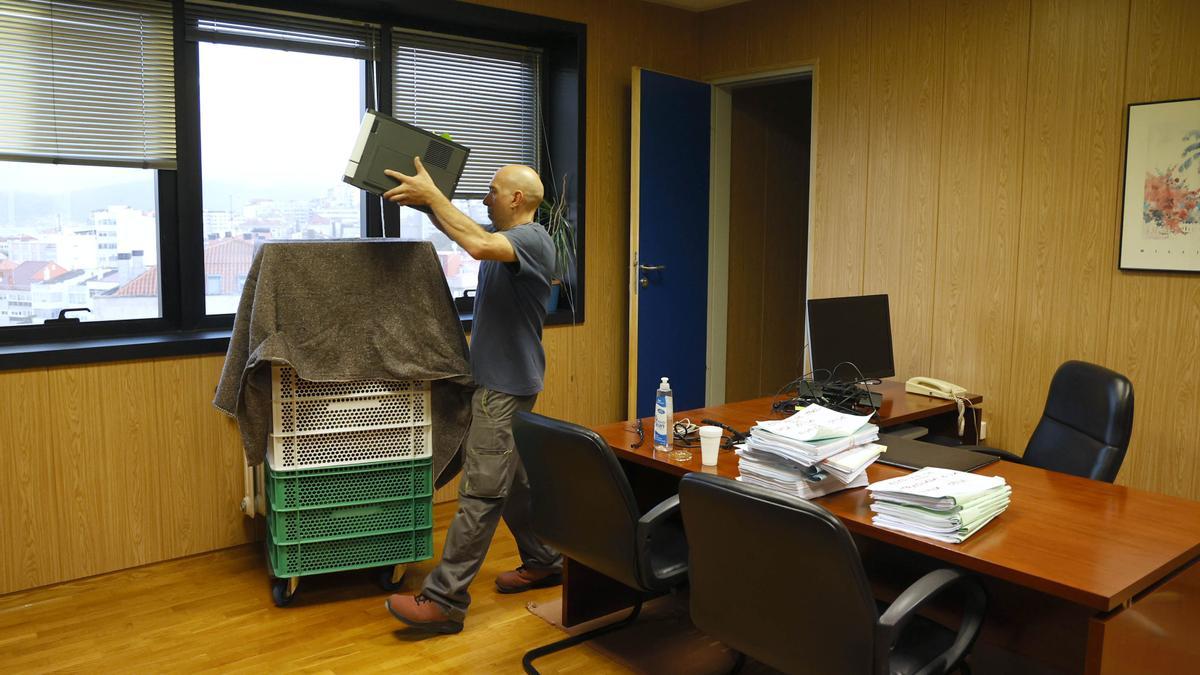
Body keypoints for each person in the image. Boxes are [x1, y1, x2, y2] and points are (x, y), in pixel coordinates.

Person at [383, 157, 562, 634]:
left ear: (517, 199)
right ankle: (545, 560)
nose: (484, 199)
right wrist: (424, 201)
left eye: (492, 192)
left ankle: (444, 601)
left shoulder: (531, 240)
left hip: (503, 389)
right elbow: (465, 229)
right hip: (503, 382)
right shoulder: (508, 241)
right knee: (515, 483)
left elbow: (477, 243)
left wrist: (433, 198)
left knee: (482, 491)